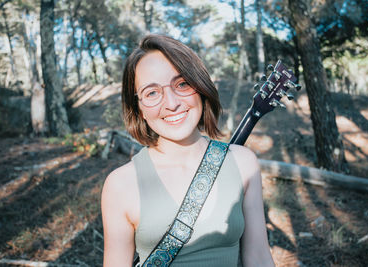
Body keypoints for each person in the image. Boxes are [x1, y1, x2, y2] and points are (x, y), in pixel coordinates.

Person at [101, 34, 275, 267]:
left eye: (182, 84)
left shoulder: (243, 163)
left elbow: (260, 259)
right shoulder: (120, 184)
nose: (171, 103)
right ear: (139, 109)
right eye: (152, 93)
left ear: (200, 87)